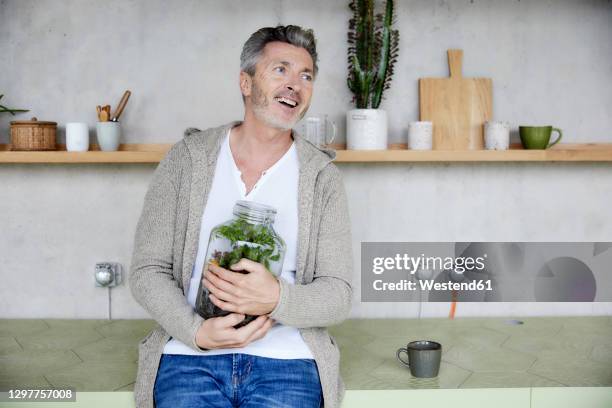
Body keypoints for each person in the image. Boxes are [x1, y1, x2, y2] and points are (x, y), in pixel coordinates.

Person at [129, 25, 353, 408]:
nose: (294, 86)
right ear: (245, 83)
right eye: (280, 70)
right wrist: (195, 331)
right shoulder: (187, 159)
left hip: (289, 362)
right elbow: (147, 270)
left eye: (306, 76)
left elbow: (338, 295)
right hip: (189, 357)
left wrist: (276, 297)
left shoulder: (321, 178)